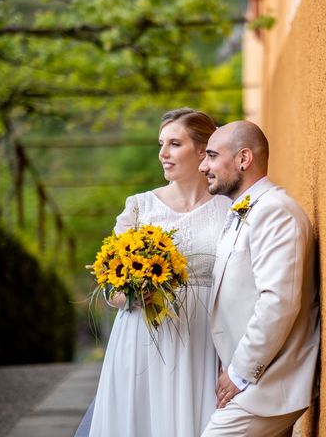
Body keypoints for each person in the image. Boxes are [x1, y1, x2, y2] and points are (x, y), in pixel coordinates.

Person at [80, 108, 231, 437]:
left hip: (203, 338)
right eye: (161, 144)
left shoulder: (229, 209)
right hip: (141, 337)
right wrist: (132, 294)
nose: (163, 154)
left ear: (203, 150)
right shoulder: (139, 206)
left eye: (175, 144)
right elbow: (109, 286)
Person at [198, 121, 320, 436]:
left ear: (244, 159)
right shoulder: (244, 211)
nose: (203, 166)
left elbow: (278, 302)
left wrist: (239, 373)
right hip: (254, 382)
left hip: (267, 386)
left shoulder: (274, 212)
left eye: (211, 156)